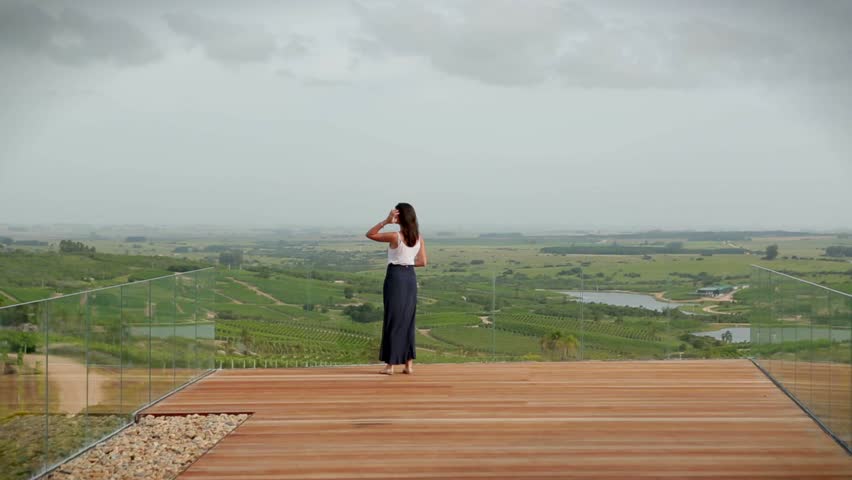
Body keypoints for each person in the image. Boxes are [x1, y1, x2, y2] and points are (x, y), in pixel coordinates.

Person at [365, 203, 428, 375]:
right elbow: (423, 262)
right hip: (410, 278)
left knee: (393, 319)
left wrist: (386, 221)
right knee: (408, 320)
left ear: (399, 217)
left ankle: (390, 366)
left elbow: (370, 234)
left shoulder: (395, 236)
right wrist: (407, 262)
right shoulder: (418, 237)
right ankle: (409, 365)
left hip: (396, 277)